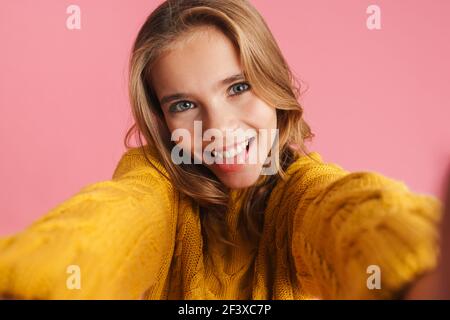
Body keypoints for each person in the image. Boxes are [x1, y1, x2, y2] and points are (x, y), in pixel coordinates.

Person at [0, 0, 446, 299]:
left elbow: (345, 211)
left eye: (238, 87)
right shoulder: (155, 186)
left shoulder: (301, 193)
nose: (218, 128)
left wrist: (420, 263)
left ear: (274, 84)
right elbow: (111, 220)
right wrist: (27, 276)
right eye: (185, 104)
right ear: (161, 119)